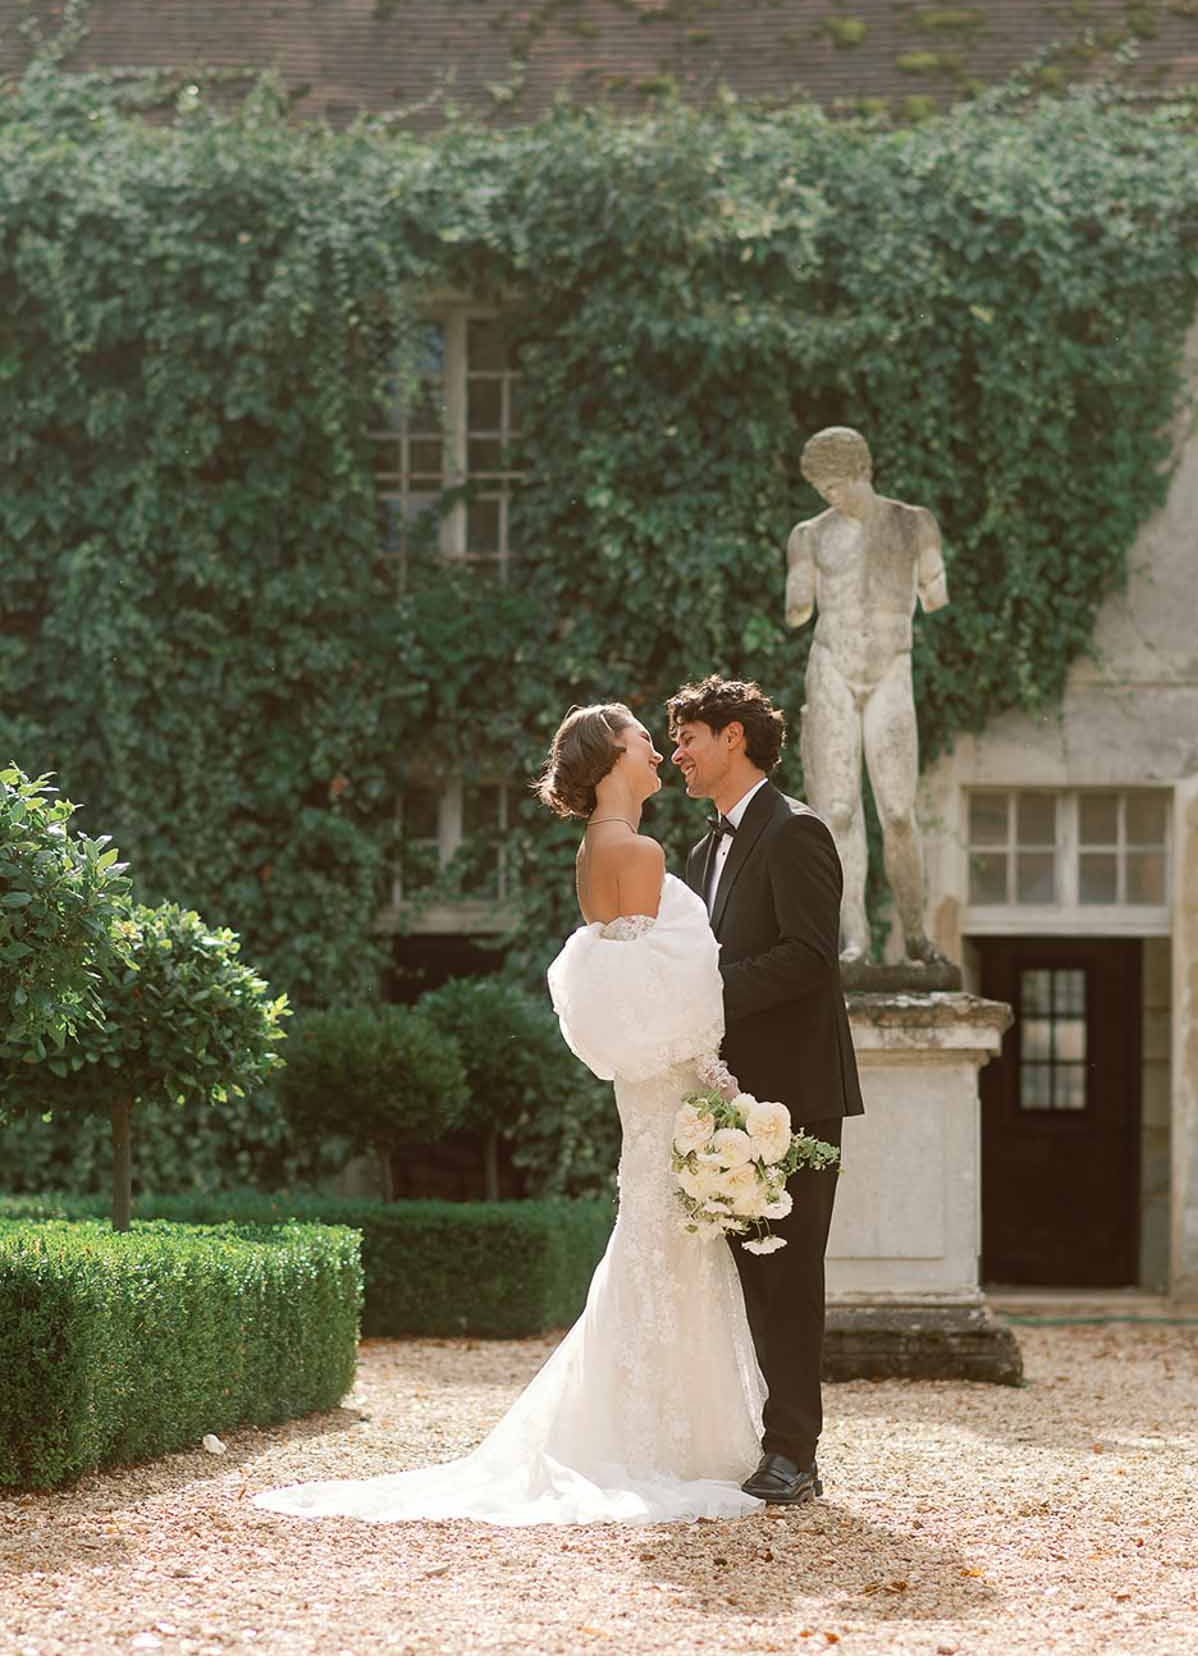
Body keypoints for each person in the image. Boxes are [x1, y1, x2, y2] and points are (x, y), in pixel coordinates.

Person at [255, 702, 767, 1527]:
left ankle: (643, 1432)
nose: (656, 749)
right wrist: (718, 1078)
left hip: (645, 1092)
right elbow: (654, 991)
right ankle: (663, 1446)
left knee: (651, 1247)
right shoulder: (635, 849)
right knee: (666, 1252)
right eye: (643, 737)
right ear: (612, 758)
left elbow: (621, 988)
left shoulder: (593, 851)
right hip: (671, 1083)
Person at [669, 674, 863, 1508]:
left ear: (733, 739)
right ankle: (752, 1434)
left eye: (687, 738)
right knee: (742, 1277)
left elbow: (813, 954)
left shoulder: (797, 832)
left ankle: (796, 1453)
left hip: (796, 1097)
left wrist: (708, 992)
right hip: (725, 1097)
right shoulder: (701, 851)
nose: (677, 753)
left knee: (789, 1276)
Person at [787, 426, 948, 965]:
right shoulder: (809, 535)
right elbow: (799, 610)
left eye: (836, 484)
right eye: (821, 487)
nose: (828, 496)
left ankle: (915, 934)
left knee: (899, 811)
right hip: (832, 666)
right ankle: (854, 936)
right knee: (836, 810)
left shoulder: (912, 524)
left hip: (889, 668)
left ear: (863, 471)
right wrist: (798, 588)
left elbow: (935, 593)